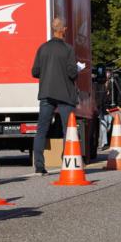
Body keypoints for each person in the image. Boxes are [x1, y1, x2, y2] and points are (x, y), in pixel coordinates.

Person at [31, 17, 79, 176]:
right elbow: (72, 72)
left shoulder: (42, 48)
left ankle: (39, 166)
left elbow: (35, 72)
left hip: (46, 93)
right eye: (65, 28)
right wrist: (78, 69)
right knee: (68, 130)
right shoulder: (68, 49)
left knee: (42, 129)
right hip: (65, 94)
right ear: (63, 29)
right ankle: (67, 161)